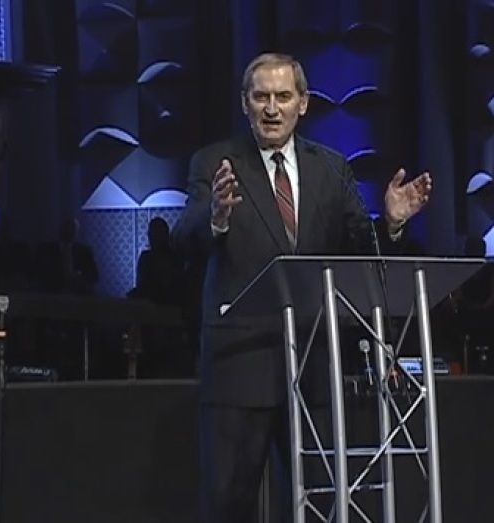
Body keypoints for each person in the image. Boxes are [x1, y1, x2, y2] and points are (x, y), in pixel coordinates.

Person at [172, 52, 433, 522]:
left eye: (283, 97)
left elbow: (360, 250)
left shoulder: (332, 169)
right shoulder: (215, 162)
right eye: (261, 97)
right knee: (228, 504)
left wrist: (390, 223)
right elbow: (181, 239)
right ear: (245, 104)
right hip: (240, 365)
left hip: (314, 365)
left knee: (317, 501)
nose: (272, 109)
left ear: (303, 104)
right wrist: (214, 218)